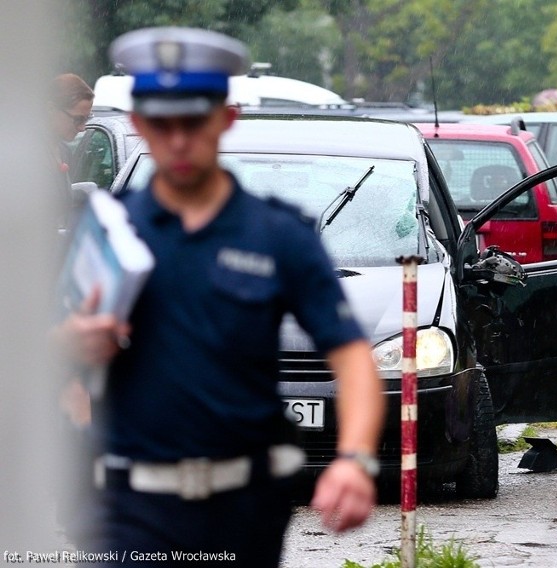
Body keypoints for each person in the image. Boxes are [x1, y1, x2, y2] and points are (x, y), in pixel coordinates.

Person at [55, 27, 385, 566]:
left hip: (242, 512)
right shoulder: (109, 229)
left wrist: (354, 460)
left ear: (226, 118)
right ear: (138, 123)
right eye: (162, 123)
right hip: (125, 509)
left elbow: (352, 359)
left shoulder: (278, 236)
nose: (178, 139)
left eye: (194, 121)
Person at [49, 73, 94, 234]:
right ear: (51, 109)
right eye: (78, 119)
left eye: (87, 119)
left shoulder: (64, 151)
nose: (82, 128)